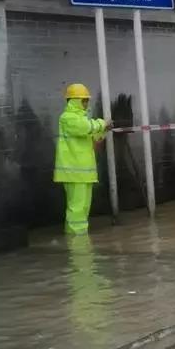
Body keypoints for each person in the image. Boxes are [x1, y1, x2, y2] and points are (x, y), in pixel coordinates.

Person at [53, 83, 111, 235]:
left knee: (83, 208)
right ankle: (77, 243)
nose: (86, 103)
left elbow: (93, 138)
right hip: (73, 172)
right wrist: (102, 123)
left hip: (85, 173)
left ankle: (79, 240)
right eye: (83, 100)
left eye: (87, 100)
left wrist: (103, 131)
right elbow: (84, 128)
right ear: (74, 101)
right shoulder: (67, 118)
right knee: (76, 209)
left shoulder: (84, 120)